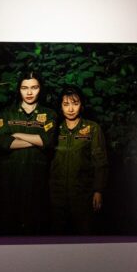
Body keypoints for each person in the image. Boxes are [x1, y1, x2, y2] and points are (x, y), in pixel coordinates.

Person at [0, 71, 57, 236]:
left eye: (34, 87)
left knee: (35, 229)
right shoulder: (6, 114)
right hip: (9, 180)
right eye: (24, 88)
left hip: (37, 181)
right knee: (8, 229)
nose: (29, 92)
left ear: (40, 89)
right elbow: (2, 143)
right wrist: (37, 141)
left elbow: (48, 141)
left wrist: (16, 134)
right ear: (19, 89)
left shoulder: (49, 114)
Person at [50, 85, 108, 235]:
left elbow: (100, 162)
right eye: (66, 104)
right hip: (56, 194)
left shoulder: (92, 128)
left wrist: (98, 190)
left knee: (84, 235)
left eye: (75, 104)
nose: (70, 109)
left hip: (83, 194)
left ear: (81, 105)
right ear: (60, 106)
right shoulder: (54, 129)